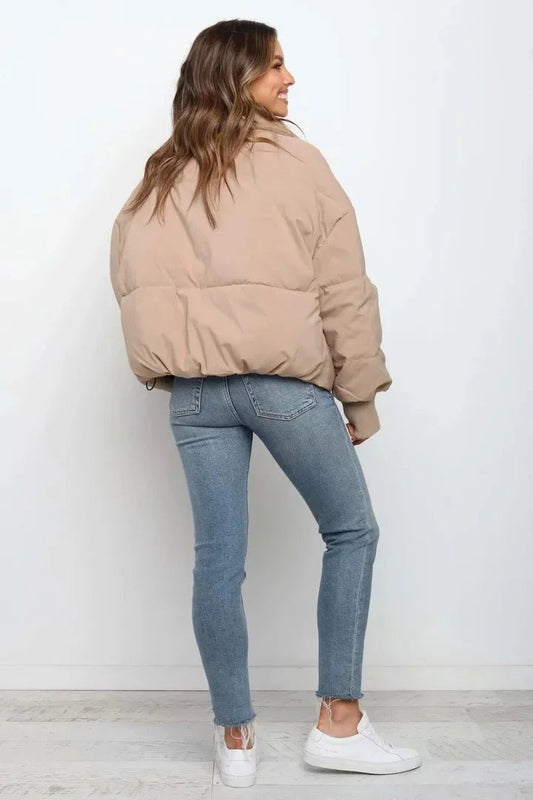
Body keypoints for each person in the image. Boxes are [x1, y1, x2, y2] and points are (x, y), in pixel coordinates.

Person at [109, 18, 421, 789]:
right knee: (351, 531)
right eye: (274, 66)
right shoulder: (296, 165)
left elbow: (132, 285)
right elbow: (343, 287)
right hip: (281, 384)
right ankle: (338, 725)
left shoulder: (159, 176)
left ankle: (236, 740)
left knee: (217, 561)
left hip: (194, 396)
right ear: (235, 76)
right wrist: (359, 395)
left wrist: (177, 364)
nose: (288, 79)